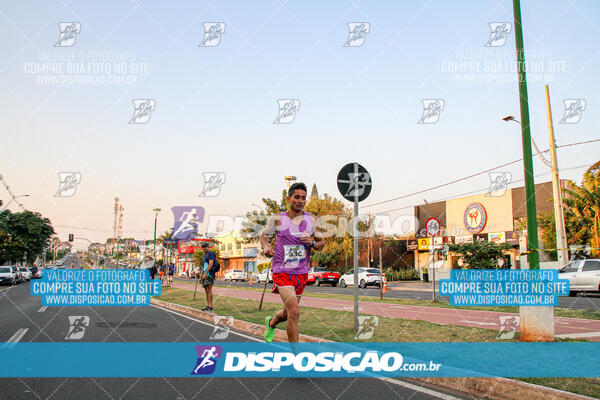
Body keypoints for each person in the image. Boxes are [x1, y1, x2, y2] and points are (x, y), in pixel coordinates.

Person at [260, 182, 324, 343]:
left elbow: (321, 244)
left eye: (303, 198)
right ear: (288, 199)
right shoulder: (277, 219)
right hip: (282, 272)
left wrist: (312, 243)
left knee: (288, 313)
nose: (300, 201)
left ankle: (271, 322)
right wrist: (266, 246)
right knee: (294, 312)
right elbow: (263, 236)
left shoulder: (312, 220)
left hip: (301, 273)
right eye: (297, 197)